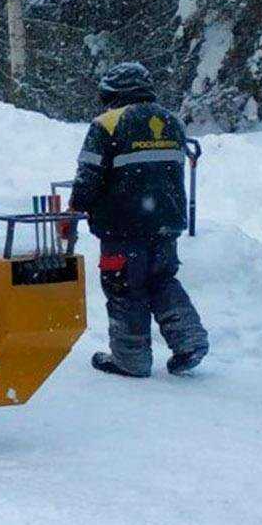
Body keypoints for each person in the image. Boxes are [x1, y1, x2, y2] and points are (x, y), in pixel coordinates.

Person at [68, 62, 209, 377]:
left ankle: (130, 359)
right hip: (166, 224)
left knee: (124, 287)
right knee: (161, 280)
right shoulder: (171, 121)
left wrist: (77, 206)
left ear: (113, 93)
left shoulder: (107, 124)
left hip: (122, 226)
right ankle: (189, 340)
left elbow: (89, 175)